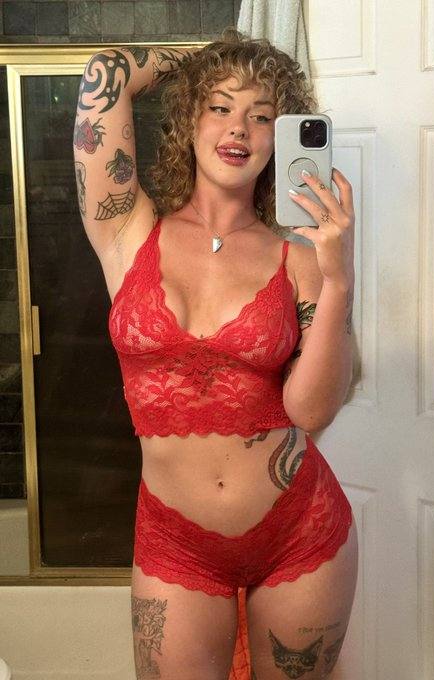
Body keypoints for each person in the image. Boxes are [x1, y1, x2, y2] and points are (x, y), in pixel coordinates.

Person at [74, 26, 357, 680]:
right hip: (175, 544)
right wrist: (197, 59)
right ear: (190, 119)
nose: (239, 128)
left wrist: (339, 280)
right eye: (220, 105)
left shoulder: (300, 261)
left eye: (262, 116)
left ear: (280, 139)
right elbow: (105, 69)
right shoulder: (126, 229)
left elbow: (310, 412)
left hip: (300, 534)